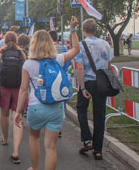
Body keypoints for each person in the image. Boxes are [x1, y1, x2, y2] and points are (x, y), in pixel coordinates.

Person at [14, 16, 80, 170]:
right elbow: (76, 50)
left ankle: (35, 168)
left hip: (36, 107)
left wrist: (18, 111)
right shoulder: (58, 59)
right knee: (51, 146)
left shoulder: (28, 64)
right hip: (56, 108)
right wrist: (73, 29)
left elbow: (23, 89)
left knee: (34, 138)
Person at [76, 18, 113, 160]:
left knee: (81, 109)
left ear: (83, 30)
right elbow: (109, 65)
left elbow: (80, 67)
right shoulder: (105, 44)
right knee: (99, 115)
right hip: (101, 82)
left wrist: (82, 86)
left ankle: (87, 139)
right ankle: (98, 150)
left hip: (88, 81)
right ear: (95, 30)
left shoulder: (81, 45)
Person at [0, 31, 26, 164]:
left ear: (4, 40)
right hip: (18, 89)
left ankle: (5, 139)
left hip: (4, 88)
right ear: (16, 40)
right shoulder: (22, 53)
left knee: (4, 115)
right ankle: (16, 151)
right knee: (17, 117)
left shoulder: (0, 52)